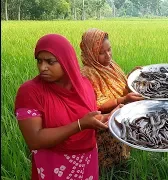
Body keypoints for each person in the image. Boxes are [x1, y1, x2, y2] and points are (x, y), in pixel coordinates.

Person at [14, 34, 119, 180]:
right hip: (55, 165)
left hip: (87, 160)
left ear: (66, 61)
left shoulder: (85, 85)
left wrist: (109, 117)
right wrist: (79, 125)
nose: (42, 67)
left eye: (50, 62)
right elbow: (34, 139)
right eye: (39, 61)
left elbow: (90, 117)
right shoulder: (30, 92)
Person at [80, 28, 144, 171]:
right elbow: (98, 103)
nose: (108, 55)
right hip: (103, 120)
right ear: (90, 53)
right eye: (101, 53)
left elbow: (120, 84)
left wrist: (133, 76)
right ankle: (110, 171)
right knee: (112, 162)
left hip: (120, 111)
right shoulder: (87, 73)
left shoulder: (110, 65)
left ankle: (123, 165)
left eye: (109, 50)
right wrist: (122, 100)